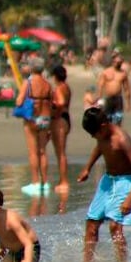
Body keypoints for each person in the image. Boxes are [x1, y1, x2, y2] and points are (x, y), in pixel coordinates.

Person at [69, 108, 131, 262]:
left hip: (126, 182)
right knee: (91, 224)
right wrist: (87, 168)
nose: (93, 137)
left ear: (103, 126)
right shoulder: (101, 136)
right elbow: (99, 148)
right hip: (108, 180)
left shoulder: (121, 139)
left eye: (94, 133)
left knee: (114, 227)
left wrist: (129, 198)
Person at [17, 58, 53, 195]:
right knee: (43, 151)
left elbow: (19, 100)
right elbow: (52, 101)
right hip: (45, 118)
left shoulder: (28, 82)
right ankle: (45, 182)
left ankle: (35, 182)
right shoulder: (47, 83)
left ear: (32, 68)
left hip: (32, 118)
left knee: (33, 152)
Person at [50, 65, 71, 193]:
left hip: (59, 120)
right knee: (61, 152)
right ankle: (62, 180)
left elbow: (61, 102)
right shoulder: (66, 87)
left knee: (60, 153)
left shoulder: (59, 88)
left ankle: (64, 181)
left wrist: (52, 105)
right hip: (66, 118)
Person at [97, 52, 130, 125]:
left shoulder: (123, 73)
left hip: (118, 99)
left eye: (119, 62)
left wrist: (128, 103)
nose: (118, 64)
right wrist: (99, 99)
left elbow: (126, 89)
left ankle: (116, 133)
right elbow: (100, 86)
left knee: (118, 120)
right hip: (108, 98)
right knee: (106, 120)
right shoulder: (106, 72)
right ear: (113, 62)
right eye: (116, 62)